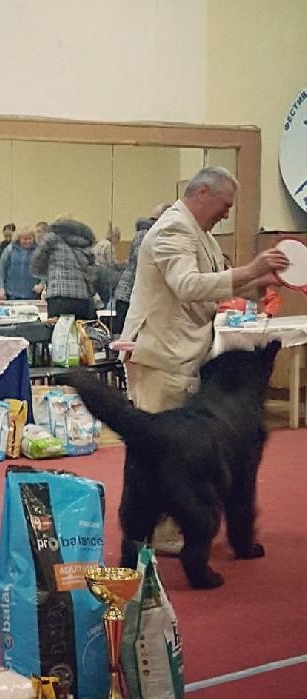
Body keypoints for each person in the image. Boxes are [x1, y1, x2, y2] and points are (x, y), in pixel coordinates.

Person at [119, 166, 287, 553]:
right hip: (161, 354)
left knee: (175, 449)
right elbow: (187, 285)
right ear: (202, 193)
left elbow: (215, 284)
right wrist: (251, 269)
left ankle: (166, 527)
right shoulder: (173, 229)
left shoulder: (202, 234)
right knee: (156, 451)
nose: (227, 213)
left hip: (182, 352)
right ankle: (154, 534)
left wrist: (256, 283)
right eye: (225, 205)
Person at [113, 208, 168, 334]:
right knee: (125, 334)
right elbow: (142, 262)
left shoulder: (149, 233)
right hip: (129, 294)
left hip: (132, 294)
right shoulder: (146, 234)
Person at [30, 215, 97, 319]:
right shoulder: (84, 242)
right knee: (80, 327)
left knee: (58, 327)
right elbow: (92, 271)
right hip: (82, 297)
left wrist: (46, 275)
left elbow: (37, 261)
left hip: (58, 295)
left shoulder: (52, 238)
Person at [0, 224, 41, 301]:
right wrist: (0, 288)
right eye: (25, 239)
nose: (28, 241)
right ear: (18, 238)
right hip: (11, 295)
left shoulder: (38, 251)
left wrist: (41, 284)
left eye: (30, 238)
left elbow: (45, 270)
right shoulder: (9, 250)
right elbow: (0, 270)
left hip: (33, 295)